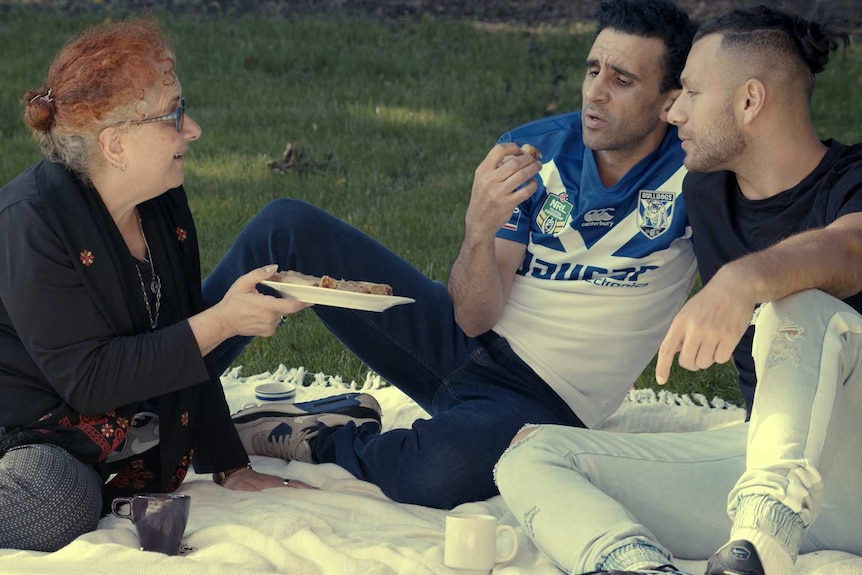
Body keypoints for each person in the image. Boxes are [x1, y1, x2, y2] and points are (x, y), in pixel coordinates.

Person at [227, 0, 698, 510]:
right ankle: (171, 401)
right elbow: (474, 318)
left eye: (622, 80)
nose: (595, 93)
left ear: (670, 102)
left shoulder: (696, 172)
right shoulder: (534, 151)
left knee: (435, 472)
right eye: (592, 69)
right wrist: (478, 229)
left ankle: (320, 436)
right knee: (285, 226)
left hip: (541, 401)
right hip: (462, 344)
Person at [495, 6, 862, 575]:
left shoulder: (854, 180)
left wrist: (741, 282)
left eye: (690, 90)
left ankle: (761, 546)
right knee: (531, 453)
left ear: (749, 101)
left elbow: (848, 252)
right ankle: (635, 565)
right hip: (784, 473)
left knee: (801, 303)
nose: (674, 108)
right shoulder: (705, 191)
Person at [0, 20, 382, 552]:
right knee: (55, 504)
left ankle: (234, 433)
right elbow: (88, 381)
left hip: (119, 422)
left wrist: (229, 464)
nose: (194, 128)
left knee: (138, 457)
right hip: (33, 430)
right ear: (115, 144)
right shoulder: (29, 223)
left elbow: (182, 334)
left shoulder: (160, 200)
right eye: (174, 115)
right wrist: (223, 321)